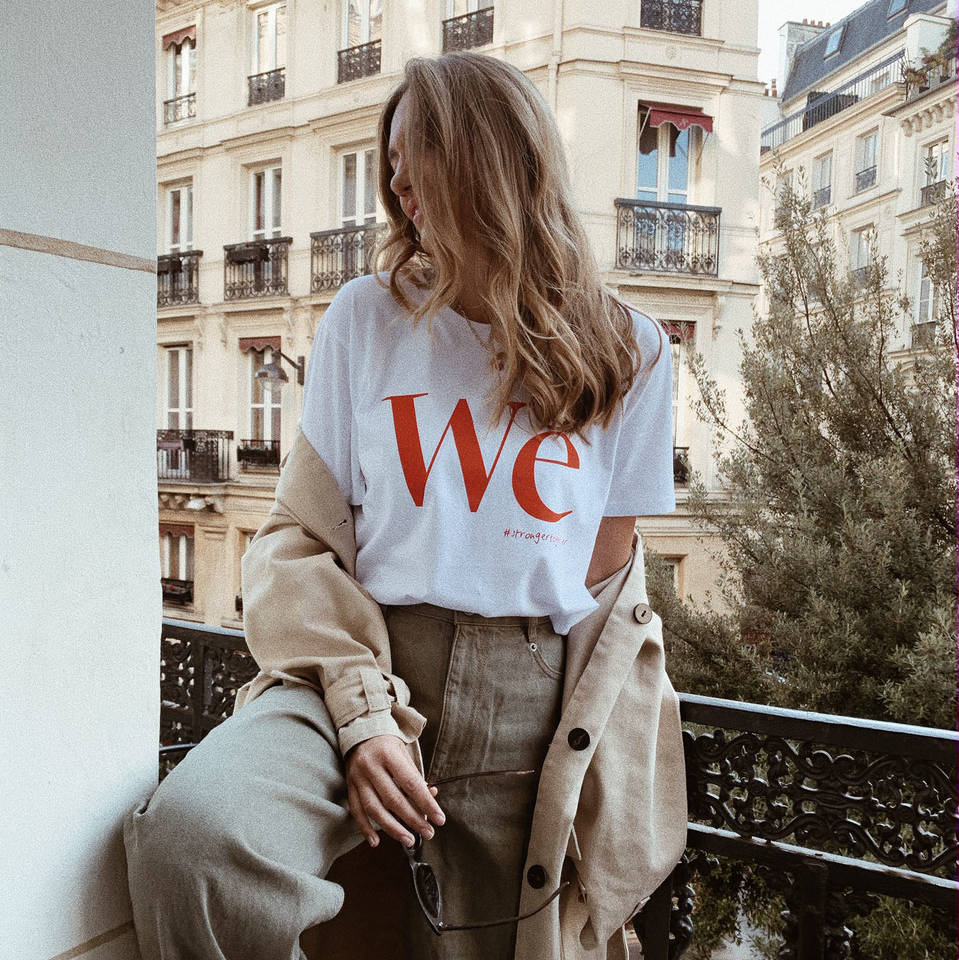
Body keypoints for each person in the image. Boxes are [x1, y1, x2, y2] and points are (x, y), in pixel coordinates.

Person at [124, 52, 687, 960]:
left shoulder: (635, 350)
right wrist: (361, 711)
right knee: (194, 846)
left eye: (413, 159)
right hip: (363, 658)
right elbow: (301, 537)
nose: (396, 188)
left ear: (488, 161)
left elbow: (605, 587)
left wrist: (594, 777)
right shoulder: (365, 317)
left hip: (531, 704)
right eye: (390, 167)